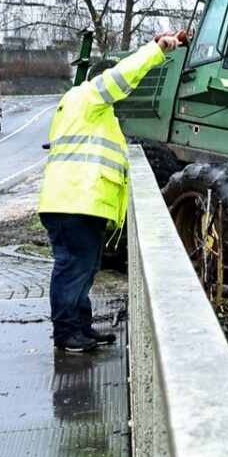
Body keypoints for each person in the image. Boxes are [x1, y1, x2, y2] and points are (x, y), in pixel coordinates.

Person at [39, 32, 183, 352]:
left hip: (76, 202)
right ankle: (66, 334)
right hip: (75, 202)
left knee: (85, 268)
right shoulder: (89, 97)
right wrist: (157, 50)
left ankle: (80, 327)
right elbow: (125, 74)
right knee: (73, 267)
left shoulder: (85, 111)